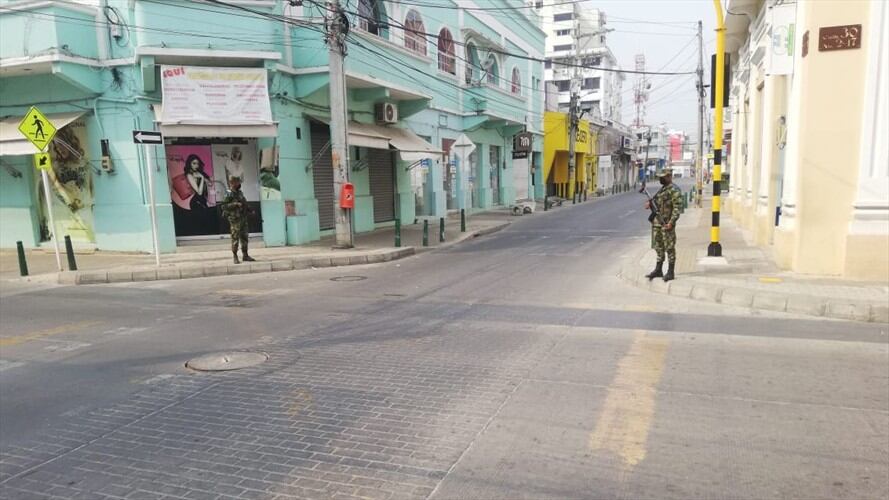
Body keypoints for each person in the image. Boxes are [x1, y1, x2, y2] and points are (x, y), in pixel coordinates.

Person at [645, 168, 683, 282]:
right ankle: (658, 269)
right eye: (660, 177)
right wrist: (649, 204)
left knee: (669, 247)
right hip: (657, 223)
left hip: (666, 224)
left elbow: (677, 208)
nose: (660, 179)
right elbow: (657, 203)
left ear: (669, 176)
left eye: (663, 177)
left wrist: (671, 222)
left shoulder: (674, 190)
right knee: (658, 246)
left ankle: (670, 272)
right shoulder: (662, 189)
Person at [220, 176, 255, 264]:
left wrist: (250, 210)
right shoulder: (228, 193)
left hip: (243, 218)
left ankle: (245, 255)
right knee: (235, 238)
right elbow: (223, 206)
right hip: (235, 219)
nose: (239, 184)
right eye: (237, 182)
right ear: (232, 183)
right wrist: (235, 204)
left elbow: (244, 202)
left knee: (244, 237)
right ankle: (235, 256)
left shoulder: (239, 193)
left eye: (239, 182)